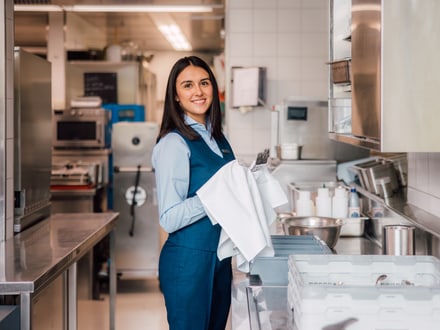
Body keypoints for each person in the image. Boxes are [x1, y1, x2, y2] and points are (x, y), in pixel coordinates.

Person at [151, 56, 235, 330]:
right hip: (187, 263)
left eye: (204, 83)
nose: (198, 92)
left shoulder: (218, 138)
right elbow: (169, 218)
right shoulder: (174, 143)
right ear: (176, 96)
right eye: (187, 85)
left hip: (219, 258)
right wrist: (216, 196)